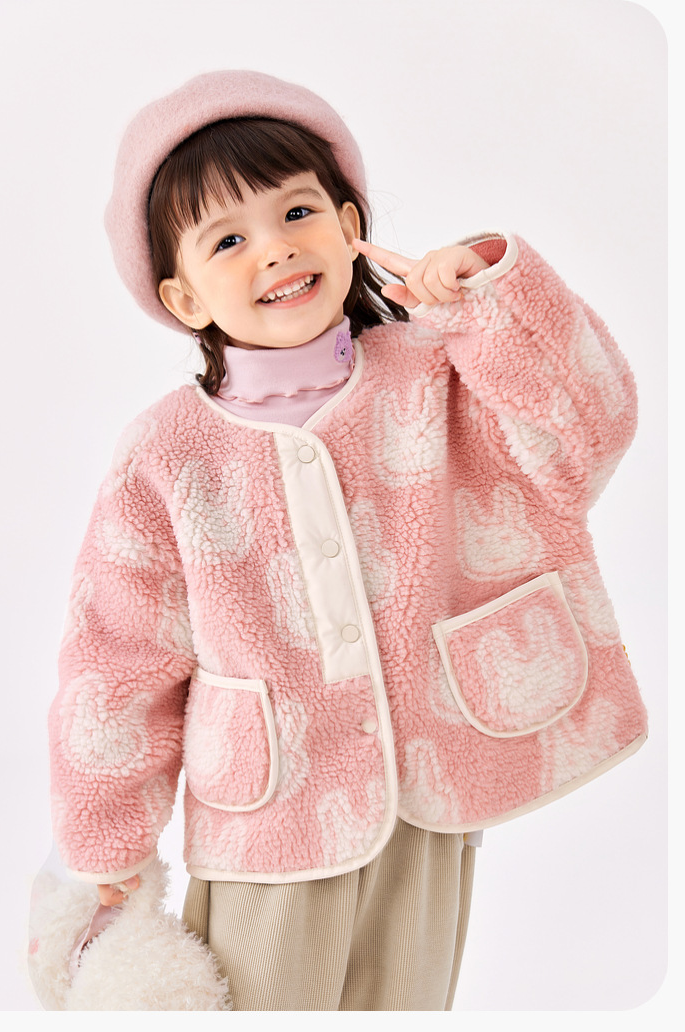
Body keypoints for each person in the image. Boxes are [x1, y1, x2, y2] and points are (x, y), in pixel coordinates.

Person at [48, 69, 647, 1010]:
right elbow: (116, 662)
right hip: (271, 817)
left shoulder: (440, 370)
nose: (276, 249)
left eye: (297, 213)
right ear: (184, 295)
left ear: (350, 222)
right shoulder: (165, 455)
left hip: (435, 786)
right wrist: (108, 847)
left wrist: (488, 302)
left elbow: (586, 431)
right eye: (229, 239)